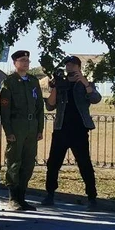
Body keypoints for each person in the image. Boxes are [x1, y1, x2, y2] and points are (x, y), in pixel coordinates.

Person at [41, 55, 102, 209]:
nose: (70, 68)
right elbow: (49, 106)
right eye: (68, 65)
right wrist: (55, 86)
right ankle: (50, 194)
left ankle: (92, 197)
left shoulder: (85, 83)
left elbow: (95, 98)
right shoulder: (62, 83)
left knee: (84, 163)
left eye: (73, 65)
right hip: (61, 128)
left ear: (79, 67)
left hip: (79, 129)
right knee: (53, 163)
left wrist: (84, 81)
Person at [0, 50, 45, 212]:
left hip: (32, 127)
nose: (26, 63)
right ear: (15, 63)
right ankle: (13, 198)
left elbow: (40, 106)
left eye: (27, 60)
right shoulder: (9, 82)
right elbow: (5, 109)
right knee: (14, 160)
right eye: (22, 60)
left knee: (28, 162)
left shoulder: (33, 81)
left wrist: (40, 128)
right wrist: (8, 130)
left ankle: (22, 197)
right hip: (16, 126)